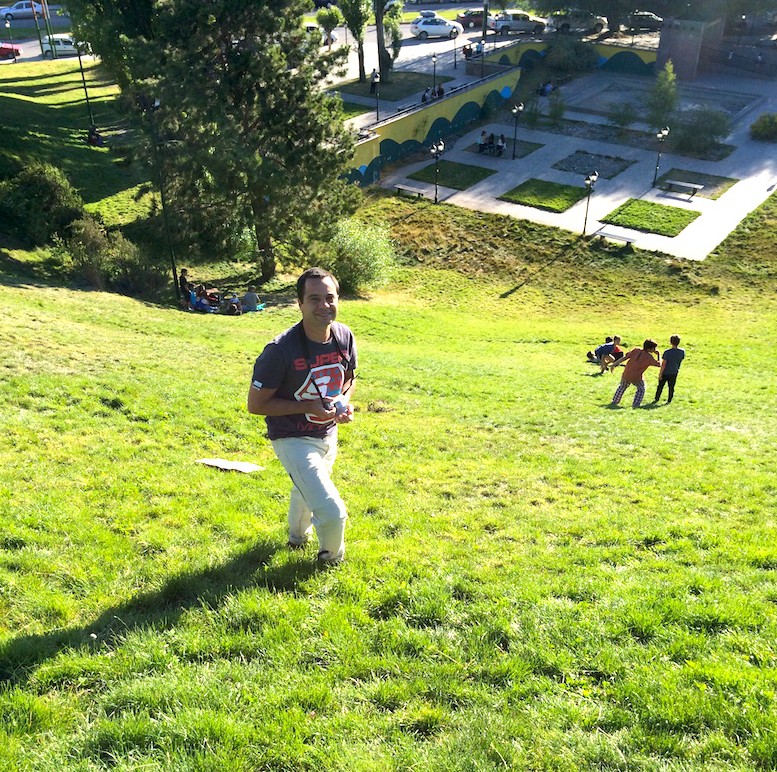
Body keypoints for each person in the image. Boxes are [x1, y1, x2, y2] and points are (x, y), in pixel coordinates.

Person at [247, 267, 357, 564]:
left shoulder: (344, 336)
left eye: (330, 298)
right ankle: (332, 562)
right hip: (292, 437)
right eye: (314, 299)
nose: (324, 306)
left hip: (327, 433)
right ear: (300, 303)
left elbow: (349, 379)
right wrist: (308, 407)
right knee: (332, 510)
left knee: (304, 489)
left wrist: (343, 403)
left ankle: (297, 537)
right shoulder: (280, 350)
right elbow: (256, 405)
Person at [609, 339, 660, 408]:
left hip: (626, 374)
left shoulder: (636, 350)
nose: (655, 349)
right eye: (654, 348)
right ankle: (636, 404)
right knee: (641, 389)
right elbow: (659, 364)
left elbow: (624, 358)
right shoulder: (649, 357)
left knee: (622, 387)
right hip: (636, 377)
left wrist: (614, 364)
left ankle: (615, 401)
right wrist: (658, 355)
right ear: (649, 349)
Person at [654, 334, 685, 404]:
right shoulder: (682, 352)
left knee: (660, 386)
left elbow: (664, 364)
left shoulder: (667, 352)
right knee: (671, 387)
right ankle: (669, 399)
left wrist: (660, 374)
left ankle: (657, 398)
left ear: (671, 342)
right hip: (674, 371)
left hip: (665, 372)